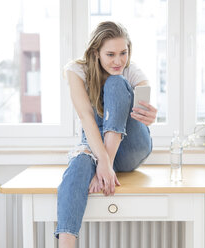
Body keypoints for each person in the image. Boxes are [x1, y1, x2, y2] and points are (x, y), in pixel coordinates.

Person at [54, 21, 157, 247]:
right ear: (95, 53)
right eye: (110, 54)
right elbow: (87, 119)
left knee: (116, 83)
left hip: (132, 147)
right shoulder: (77, 71)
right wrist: (102, 161)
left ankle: (106, 165)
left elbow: (145, 111)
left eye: (123, 53)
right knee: (79, 163)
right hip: (97, 144)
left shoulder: (131, 71)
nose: (118, 61)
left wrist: (149, 115)